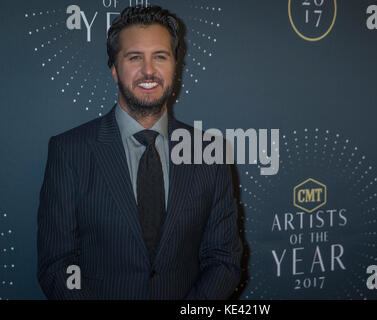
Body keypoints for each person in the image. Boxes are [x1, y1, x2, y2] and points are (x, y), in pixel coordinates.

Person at [37, 5, 242, 300]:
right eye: (134, 58)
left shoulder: (209, 152)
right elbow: (58, 265)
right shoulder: (69, 151)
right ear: (114, 70)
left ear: (176, 65)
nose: (149, 70)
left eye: (160, 56)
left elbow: (223, 260)